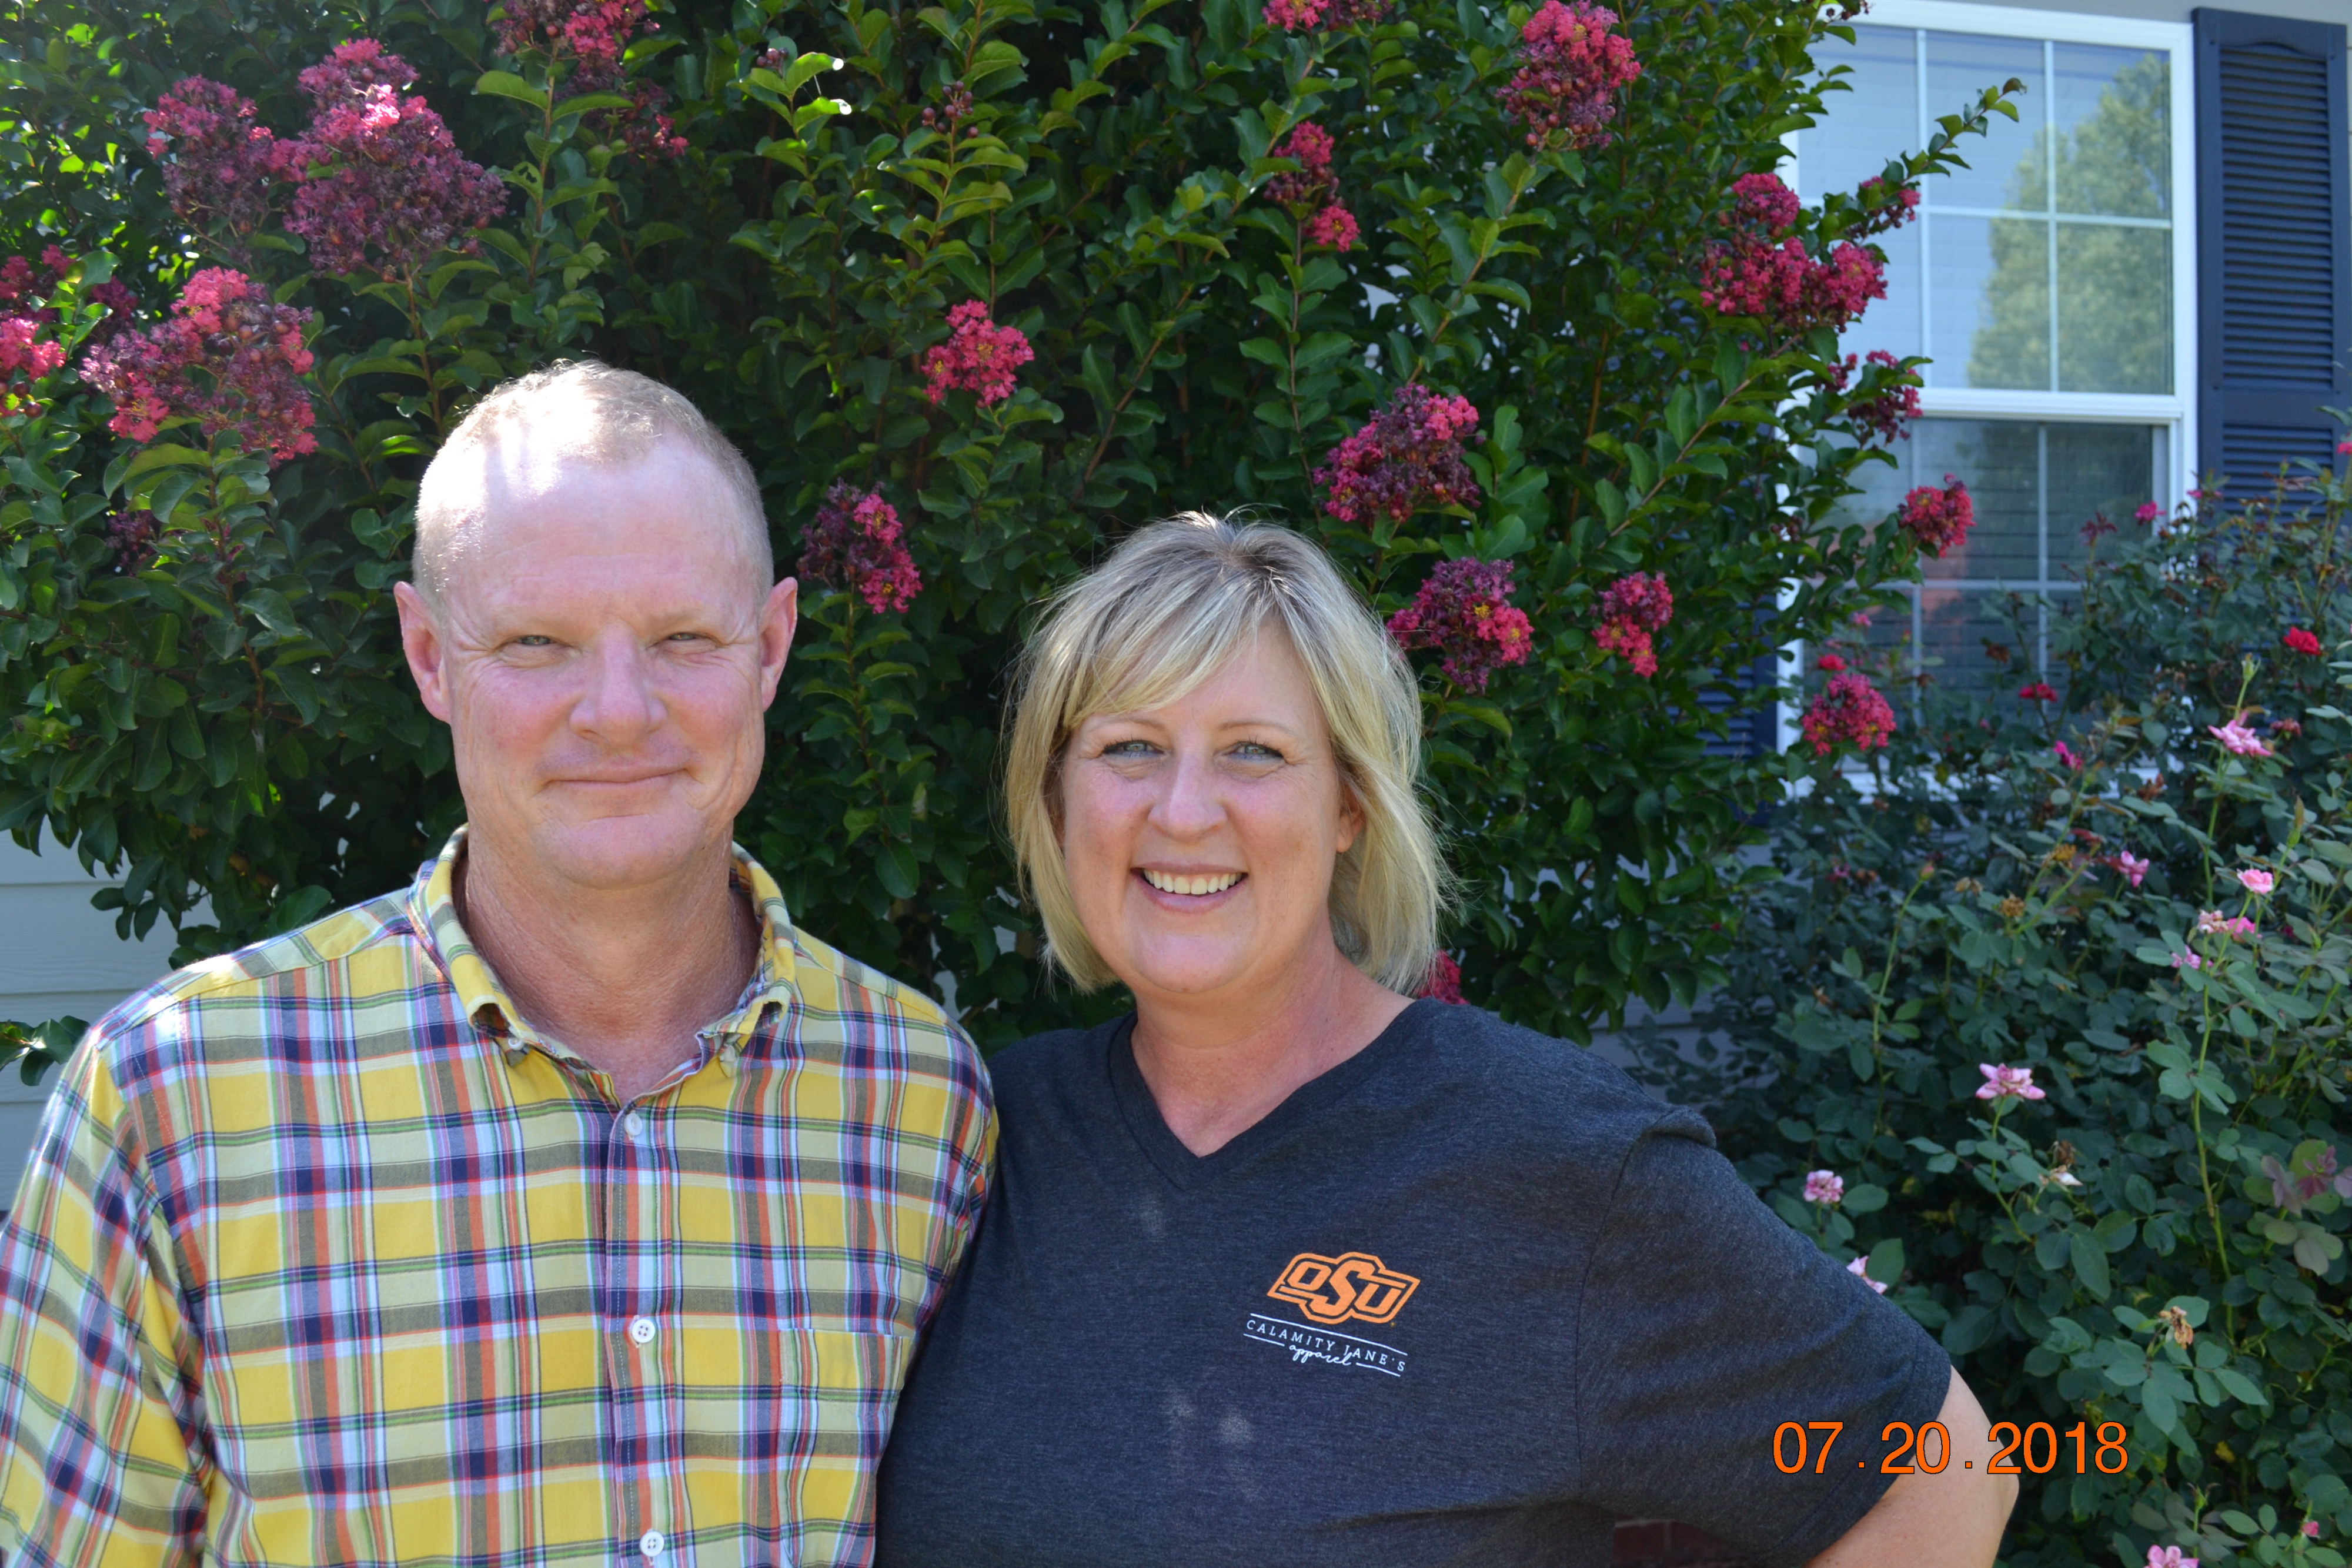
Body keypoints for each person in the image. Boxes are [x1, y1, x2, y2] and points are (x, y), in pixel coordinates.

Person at [873, 513, 2015, 1567]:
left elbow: (1943, 1473)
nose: (1181, 809)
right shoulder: (981, 1136)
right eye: (1129, 747)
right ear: (1057, 796)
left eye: (1253, 750)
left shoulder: (1558, 1166)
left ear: (1348, 805)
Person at [0, 362, 993, 1567]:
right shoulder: (174, 1100)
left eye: (683, 637)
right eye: (536, 642)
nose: (618, 711)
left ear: (772, 647)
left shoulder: (920, 1097)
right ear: (429, 656)